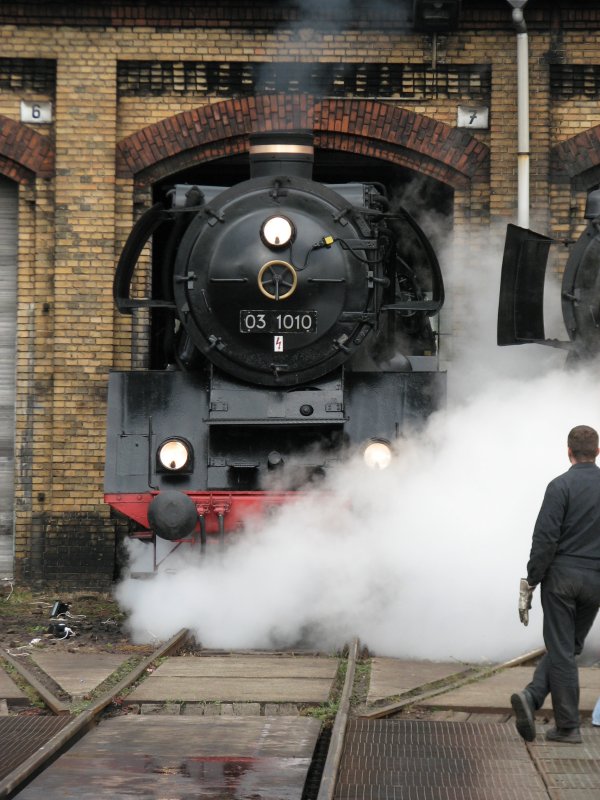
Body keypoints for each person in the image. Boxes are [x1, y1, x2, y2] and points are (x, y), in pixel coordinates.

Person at [511, 425, 600, 744]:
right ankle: (532, 696)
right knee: (569, 647)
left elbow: (545, 539)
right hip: (595, 582)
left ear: (569, 451)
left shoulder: (559, 486)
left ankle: (567, 727)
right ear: (598, 451)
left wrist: (532, 578)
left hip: (561, 579)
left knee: (562, 649)